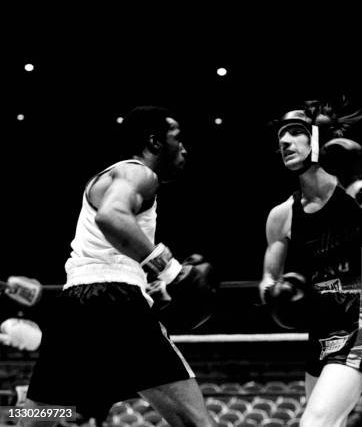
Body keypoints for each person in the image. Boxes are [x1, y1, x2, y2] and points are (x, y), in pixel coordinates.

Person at [22, 106, 217, 426]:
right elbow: (112, 217)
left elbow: (106, 247)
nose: (184, 148)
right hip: (116, 303)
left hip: (73, 306)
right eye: (177, 138)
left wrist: (147, 285)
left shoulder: (111, 176)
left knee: (34, 417)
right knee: (196, 422)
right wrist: (171, 271)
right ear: (155, 142)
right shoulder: (139, 172)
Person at [259, 98, 362, 427]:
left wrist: (359, 187)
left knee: (315, 423)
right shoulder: (283, 215)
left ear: (318, 137)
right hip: (320, 324)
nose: (284, 141)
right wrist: (276, 296)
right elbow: (268, 279)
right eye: (280, 136)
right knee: (331, 422)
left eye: (294, 132)